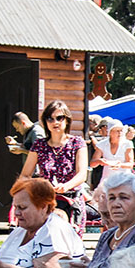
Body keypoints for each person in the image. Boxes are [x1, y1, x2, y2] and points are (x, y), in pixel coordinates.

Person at [18, 101, 89, 235]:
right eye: (50, 118)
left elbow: (81, 174)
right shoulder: (39, 145)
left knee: (70, 247)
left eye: (59, 118)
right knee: (43, 242)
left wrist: (66, 186)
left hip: (71, 200)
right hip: (46, 201)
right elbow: (25, 175)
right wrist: (35, 188)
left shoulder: (77, 142)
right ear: (45, 122)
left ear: (67, 120)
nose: (55, 122)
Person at [90, 120, 135, 184]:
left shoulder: (127, 144)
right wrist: (99, 161)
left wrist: (120, 165)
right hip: (107, 180)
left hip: (124, 179)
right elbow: (92, 164)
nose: (120, 133)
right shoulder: (102, 144)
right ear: (110, 132)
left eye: (121, 130)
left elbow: (130, 164)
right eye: (117, 131)